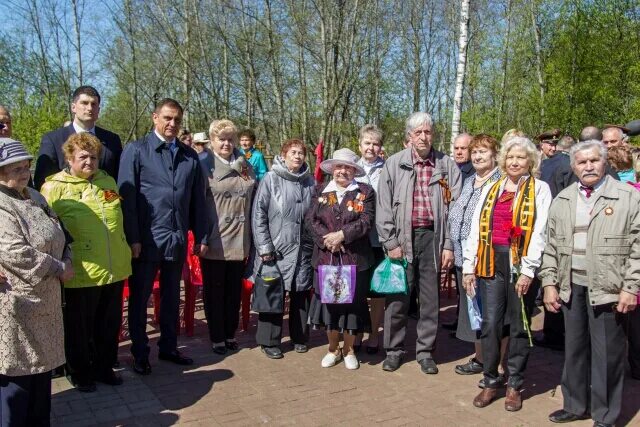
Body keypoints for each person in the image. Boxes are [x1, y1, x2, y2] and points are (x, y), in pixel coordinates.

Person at [540, 140, 639, 426]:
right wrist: (549, 283)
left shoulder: (626, 196)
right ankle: (575, 404)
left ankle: (605, 414)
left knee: (607, 354)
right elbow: (551, 246)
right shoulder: (564, 199)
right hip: (572, 286)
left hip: (609, 288)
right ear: (573, 167)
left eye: (594, 160)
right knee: (574, 349)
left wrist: (631, 287)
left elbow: (638, 246)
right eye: (582, 162)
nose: (588, 166)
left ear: (604, 162)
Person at [118, 98, 208, 375]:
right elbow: (127, 198)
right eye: (167, 118)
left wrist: (201, 235)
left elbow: (197, 200)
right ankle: (140, 353)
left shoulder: (188, 155)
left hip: (176, 237)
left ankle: (169, 347)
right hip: (146, 240)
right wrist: (132, 237)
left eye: (177, 120)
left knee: (172, 296)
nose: (172, 124)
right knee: (140, 298)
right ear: (154, 117)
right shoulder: (136, 150)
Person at [463, 136, 551, 411]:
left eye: (520, 158)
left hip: (520, 264)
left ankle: (514, 383)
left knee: (519, 326)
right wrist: (469, 266)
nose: (514, 162)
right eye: (510, 157)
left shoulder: (540, 189)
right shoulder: (493, 187)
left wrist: (528, 270)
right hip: (491, 262)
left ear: (530, 161)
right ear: (503, 160)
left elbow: (540, 230)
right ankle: (491, 380)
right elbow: (477, 228)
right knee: (490, 324)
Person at [40, 133, 132, 392]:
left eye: (94, 157)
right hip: (80, 270)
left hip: (114, 267)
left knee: (108, 323)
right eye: (83, 157)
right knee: (80, 327)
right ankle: (79, 372)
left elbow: (116, 217)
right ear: (69, 158)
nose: (90, 162)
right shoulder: (53, 188)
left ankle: (104, 368)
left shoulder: (107, 181)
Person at [377, 112, 462, 374]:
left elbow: (456, 210)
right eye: (418, 133)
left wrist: (449, 244)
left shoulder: (446, 165)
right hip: (402, 239)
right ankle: (394, 350)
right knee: (398, 297)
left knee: (429, 299)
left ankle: (425, 351)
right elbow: (383, 207)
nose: (424, 137)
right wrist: (390, 242)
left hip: (433, 239)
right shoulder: (394, 164)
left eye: (428, 132)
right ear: (409, 137)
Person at [0, 138, 71, 425]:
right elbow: (15, 252)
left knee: (41, 376)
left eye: (25, 167)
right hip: (17, 304)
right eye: (14, 168)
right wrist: (58, 266)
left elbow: (59, 229)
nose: (23, 173)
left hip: (46, 302)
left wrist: (69, 257)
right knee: (17, 382)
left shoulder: (35, 196)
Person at [305, 148, 375, 370]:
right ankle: (332, 349)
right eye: (338, 167)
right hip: (326, 258)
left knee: (352, 307)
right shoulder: (319, 190)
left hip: (354, 259)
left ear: (354, 170)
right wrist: (326, 240)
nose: (342, 171)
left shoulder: (365, 192)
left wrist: (342, 235)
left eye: (347, 167)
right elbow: (310, 220)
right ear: (332, 169)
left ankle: (350, 350)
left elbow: (366, 220)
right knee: (331, 306)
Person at [251, 139, 315, 359]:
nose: (297, 156)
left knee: (301, 293)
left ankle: (300, 337)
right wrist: (264, 247)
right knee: (273, 295)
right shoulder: (271, 179)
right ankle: (269, 341)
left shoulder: (310, 181)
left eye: (301, 153)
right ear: (284, 154)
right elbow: (258, 214)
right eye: (293, 152)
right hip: (276, 248)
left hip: (303, 248)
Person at [200, 119, 256, 355]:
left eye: (230, 139)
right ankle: (217, 336)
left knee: (234, 289)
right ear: (212, 141)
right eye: (221, 139)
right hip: (215, 237)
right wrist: (202, 236)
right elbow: (198, 205)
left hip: (240, 237)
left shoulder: (245, 164)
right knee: (215, 290)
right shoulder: (203, 165)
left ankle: (230, 333)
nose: (226, 143)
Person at [448, 134, 502, 376]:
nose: (478, 156)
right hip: (463, 258)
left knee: (490, 311)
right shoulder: (469, 180)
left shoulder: (500, 182)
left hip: (488, 260)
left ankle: (496, 363)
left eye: (484, 152)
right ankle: (481, 358)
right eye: (475, 152)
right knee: (474, 309)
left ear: (495, 155)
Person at [34, 86, 123, 190]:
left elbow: (118, 178)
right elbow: (42, 180)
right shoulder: (53, 140)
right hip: (65, 203)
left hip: (105, 202)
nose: (89, 108)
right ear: (73, 107)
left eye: (93, 104)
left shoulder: (112, 140)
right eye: (84, 103)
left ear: (98, 109)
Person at [355, 124, 385, 354]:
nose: (371, 147)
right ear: (360, 144)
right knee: (356, 290)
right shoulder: (350, 168)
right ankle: (355, 333)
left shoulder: (388, 169)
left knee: (376, 291)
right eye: (367, 143)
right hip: (355, 239)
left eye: (375, 143)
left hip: (378, 240)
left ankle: (374, 334)